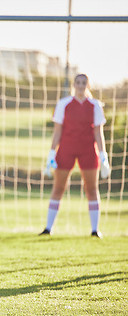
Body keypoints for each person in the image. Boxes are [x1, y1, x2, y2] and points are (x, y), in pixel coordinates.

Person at [41, 73, 110, 238]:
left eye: (83, 82)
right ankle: (48, 228)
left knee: (92, 189)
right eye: (78, 82)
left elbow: (98, 133)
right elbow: (57, 131)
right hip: (66, 149)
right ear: (74, 84)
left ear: (88, 85)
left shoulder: (95, 105)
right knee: (58, 188)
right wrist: (51, 153)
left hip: (88, 150)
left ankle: (95, 230)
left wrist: (103, 156)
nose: (80, 85)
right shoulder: (63, 104)